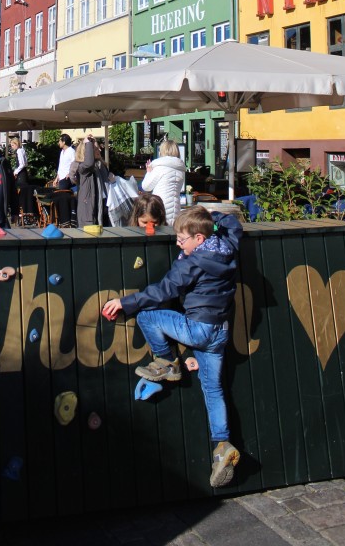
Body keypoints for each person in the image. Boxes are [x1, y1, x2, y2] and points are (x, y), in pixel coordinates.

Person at [102, 206, 243, 489]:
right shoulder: (227, 246)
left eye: (182, 237)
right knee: (214, 390)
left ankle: (168, 362)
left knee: (147, 316)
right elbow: (232, 223)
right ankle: (221, 446)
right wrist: (208, 218)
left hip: (198, 328)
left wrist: (125, 302)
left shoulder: (191, 262)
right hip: (220, 331)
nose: (177, 241)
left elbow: (163, 290)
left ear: (199, 240)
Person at [69, 135, 112, 228]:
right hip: (89, 209)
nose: (99, 150)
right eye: (96, 149)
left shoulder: (101, 165)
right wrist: (88, 143)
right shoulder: (82, 168)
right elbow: (89, 163)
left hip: (104, 204)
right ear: (87, 151)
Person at [141, 139, 187, 224]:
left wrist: (148, 172)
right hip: (175, 208)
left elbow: (146, 186)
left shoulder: (159, 168)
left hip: (160, 206)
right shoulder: (181, 169)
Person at [9, 136, 37, 223]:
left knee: (21, 192)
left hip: (21, 175)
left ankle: (22, 212)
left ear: (16, 144)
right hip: (22, 173)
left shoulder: (19, 151)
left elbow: (22, 164)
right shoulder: (22, 150)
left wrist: (15, 172)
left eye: (12, 145)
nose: (12, 147)